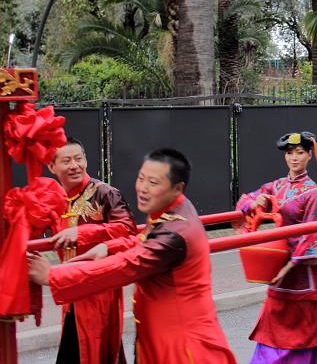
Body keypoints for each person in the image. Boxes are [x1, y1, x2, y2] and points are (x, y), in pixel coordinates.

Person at [28, 148, 236, 363]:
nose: (143, 189)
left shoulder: (175, 234)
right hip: (155, 336)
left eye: (153, 183)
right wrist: (108, 248)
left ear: (177, 188)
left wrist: (53, 276)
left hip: (182, 347)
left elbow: (127, 265)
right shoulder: (174, 210)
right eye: (141, 178)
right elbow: (142, 240)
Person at [236, 131, 317, 363]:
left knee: (303, 338)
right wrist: (253, 202)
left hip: (302, 272)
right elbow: (245, 200)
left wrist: (284, 270)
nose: (294, 158)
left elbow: (313, 242)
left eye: (300, 153)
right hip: (276, 268)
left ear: (310, 155)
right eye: (290, 153)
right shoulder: (276, 186)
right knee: (272, 335)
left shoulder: (313, 194)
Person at [47, 137, 137, 364]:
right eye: (66, 161)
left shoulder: (105, 193)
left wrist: (83, 233)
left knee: (97, 351)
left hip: (100, 291)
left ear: (86, 160)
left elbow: (128, 229)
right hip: (70, 291)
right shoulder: (54, 199)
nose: (74, 165)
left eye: (79, 158)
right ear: (52, 167)